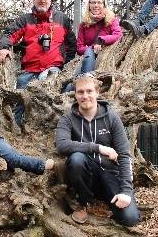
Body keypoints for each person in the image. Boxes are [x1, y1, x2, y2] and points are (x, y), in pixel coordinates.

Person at [55, 75, 138, 226]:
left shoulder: (111, 118)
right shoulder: (67, 119)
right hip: (87, 177)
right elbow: (62, 145)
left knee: (130, 218)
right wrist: (98, 148)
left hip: (111, 175)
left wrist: (126, 191)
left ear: (97, 92)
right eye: (80, 92)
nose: (85, 96)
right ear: (75, 95)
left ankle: (109, 201)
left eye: (89, 91)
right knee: (77, 159)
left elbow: (125, 156)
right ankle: (84, 203)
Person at [0, 0, 76, 90]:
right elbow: (9, 34)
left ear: (50, 0)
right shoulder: (25, 19)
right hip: (29, 70)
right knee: (20, 102)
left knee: (43, 90)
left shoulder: (61, 18)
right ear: (34, 0)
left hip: (52, 69)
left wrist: (66, 64)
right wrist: (4, 47)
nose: (42, 1)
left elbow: (71, 44)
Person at [76, 0, 123, 75]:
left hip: (107, 55)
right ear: (89, 5)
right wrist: (93, 48)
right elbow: (79, 48)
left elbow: (118, 35)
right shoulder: (83, 24)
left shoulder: (111, 19)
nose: (96, 5)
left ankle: (87, 78)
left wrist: (101, 40)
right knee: (72, 83)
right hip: (89, 56)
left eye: (99, 2)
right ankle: (86, 78)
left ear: (104, 5)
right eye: (93, 2)